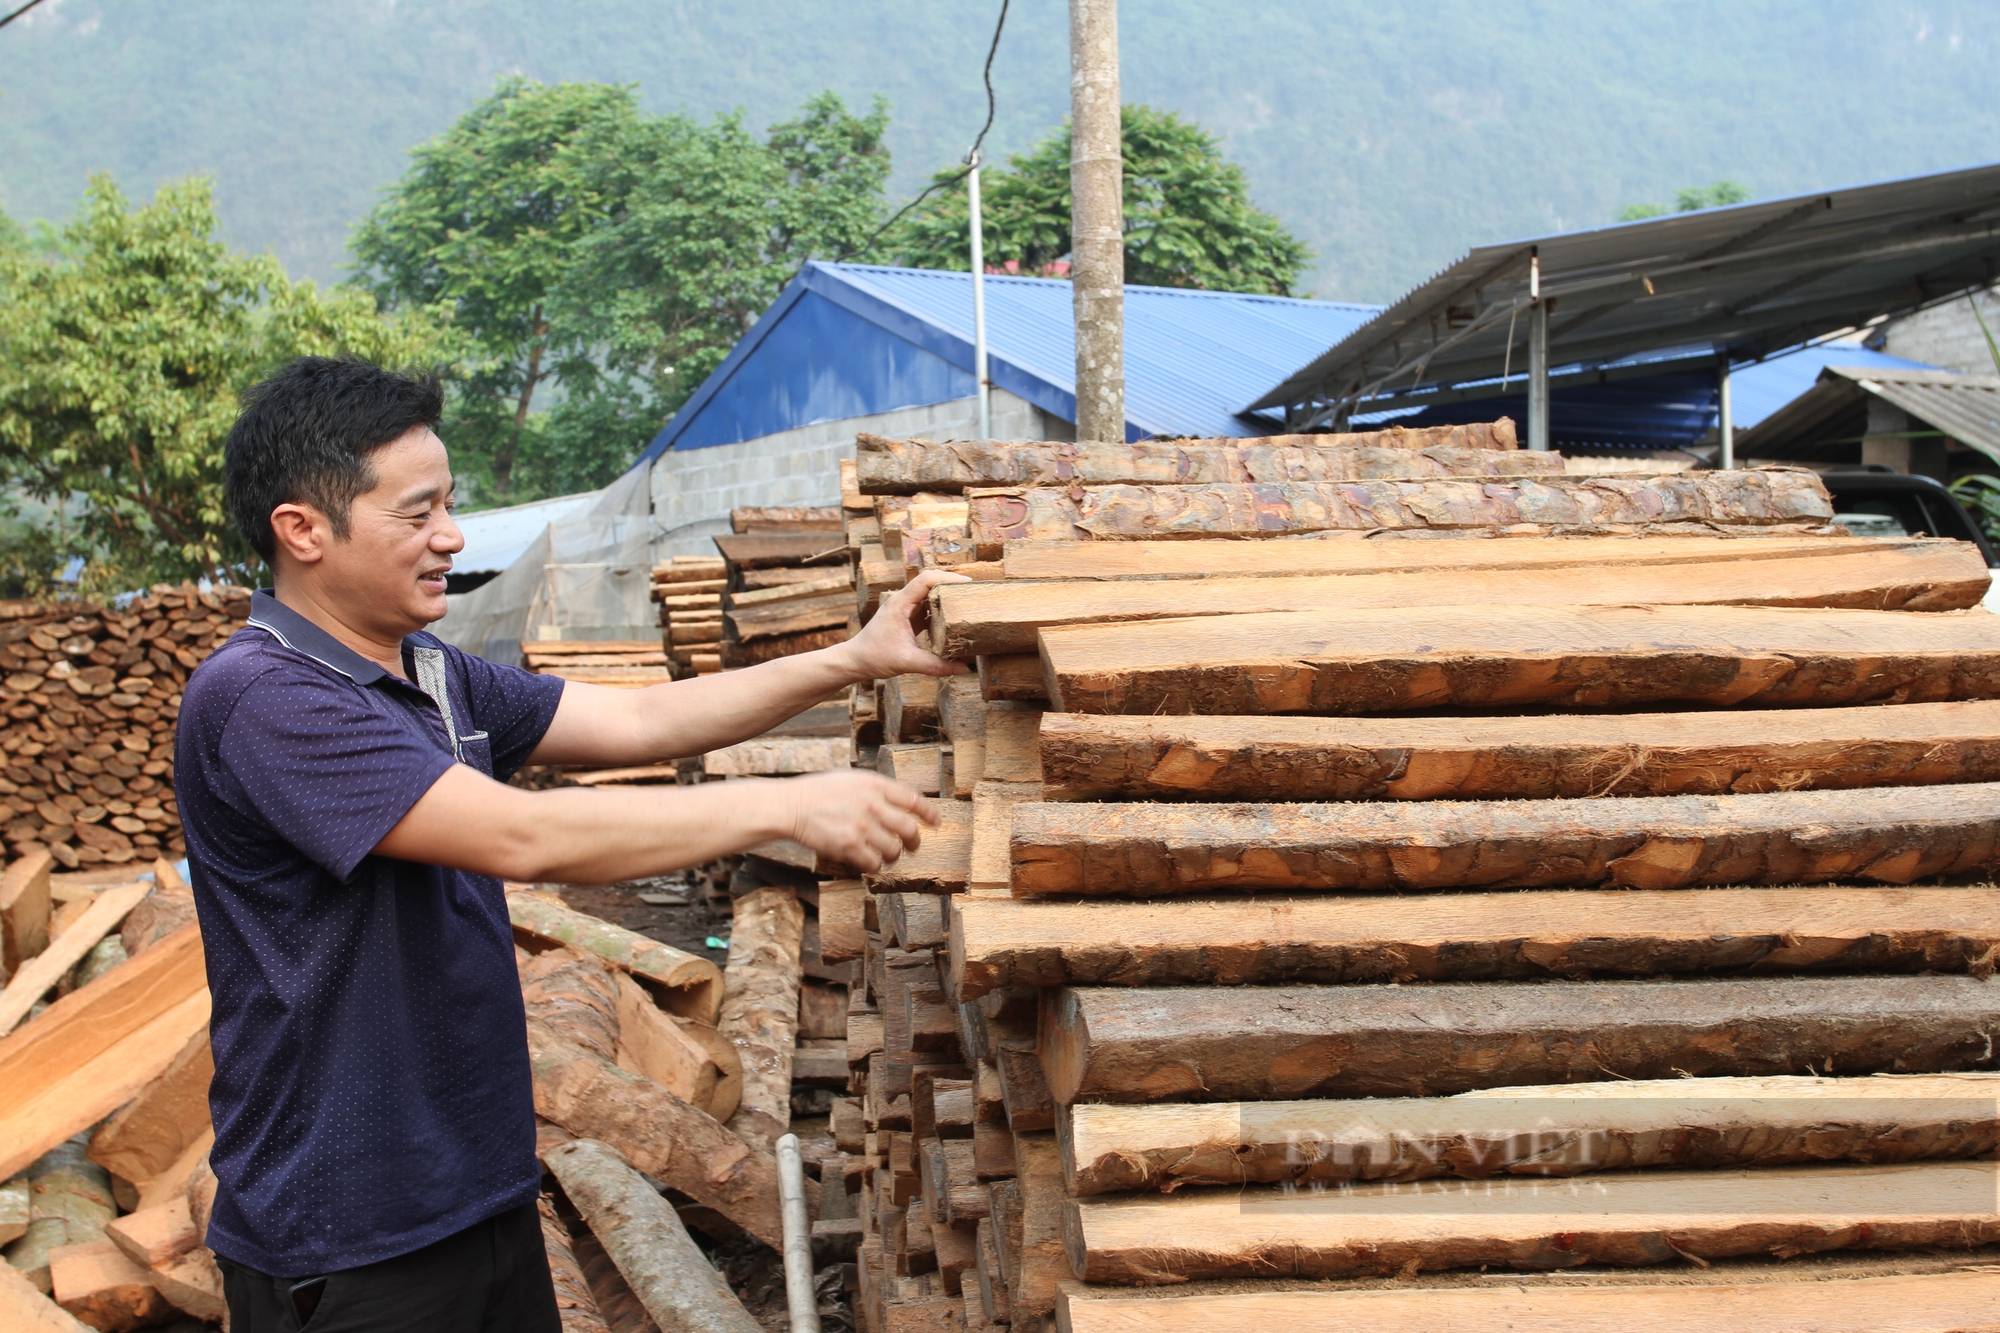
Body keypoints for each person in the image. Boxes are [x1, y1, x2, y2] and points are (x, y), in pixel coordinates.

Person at [179, 356, 965, 1333]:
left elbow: (639, 723)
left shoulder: (427, 669)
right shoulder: (267, 696)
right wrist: (785, 806)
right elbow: (520, 832)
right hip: (351, 1237)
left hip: (479, 1190)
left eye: (450, 505)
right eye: (417, 513)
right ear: (302, 528)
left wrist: (852, 655)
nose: (451, 537)